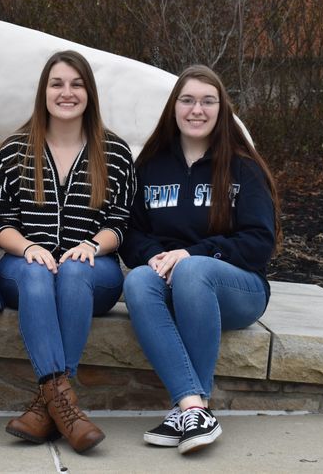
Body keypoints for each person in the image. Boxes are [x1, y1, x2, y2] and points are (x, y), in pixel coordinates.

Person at [119, 65, 280, 455]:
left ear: (221, 109)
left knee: (192, 269)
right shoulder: (150, 166)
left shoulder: (244, 166)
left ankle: (194, 406)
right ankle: (192, 408)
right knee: (138, 281)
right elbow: (132, 232)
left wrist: (190, 254)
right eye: (187, 100)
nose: (197, 110)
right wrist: (156, 257)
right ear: (173, 108)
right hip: (172, 278)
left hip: (237, 288)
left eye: (208, 101)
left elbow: (260, 241)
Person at [0, 50, 135, 454]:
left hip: (95, 273)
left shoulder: (117, 153)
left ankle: (48, 404)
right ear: (44, 91)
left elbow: (120, 225)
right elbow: (0, 225)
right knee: (37, 273)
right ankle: (64, 405)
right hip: (22, 269)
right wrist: (29, 247)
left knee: (73, 272)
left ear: (89, 92)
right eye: (57, 84)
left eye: (76, 84)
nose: (66, 92)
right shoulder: (13, 151)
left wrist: (91, 245)